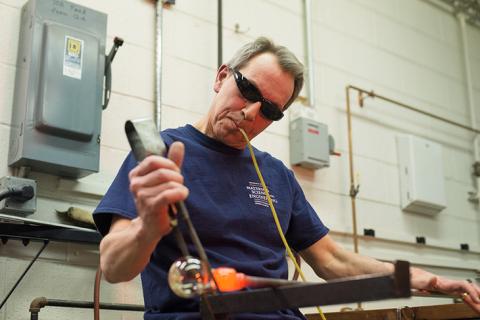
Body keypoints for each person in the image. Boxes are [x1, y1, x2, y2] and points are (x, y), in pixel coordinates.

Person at [94, 37, 480, 319]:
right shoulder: (158, 154)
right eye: (246, 90)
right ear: (222, 76)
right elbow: (114, 267)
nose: (250, 114)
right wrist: (148, 228)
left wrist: (429, 280)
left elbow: (335, 261)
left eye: (270, 111)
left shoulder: (275, 174)